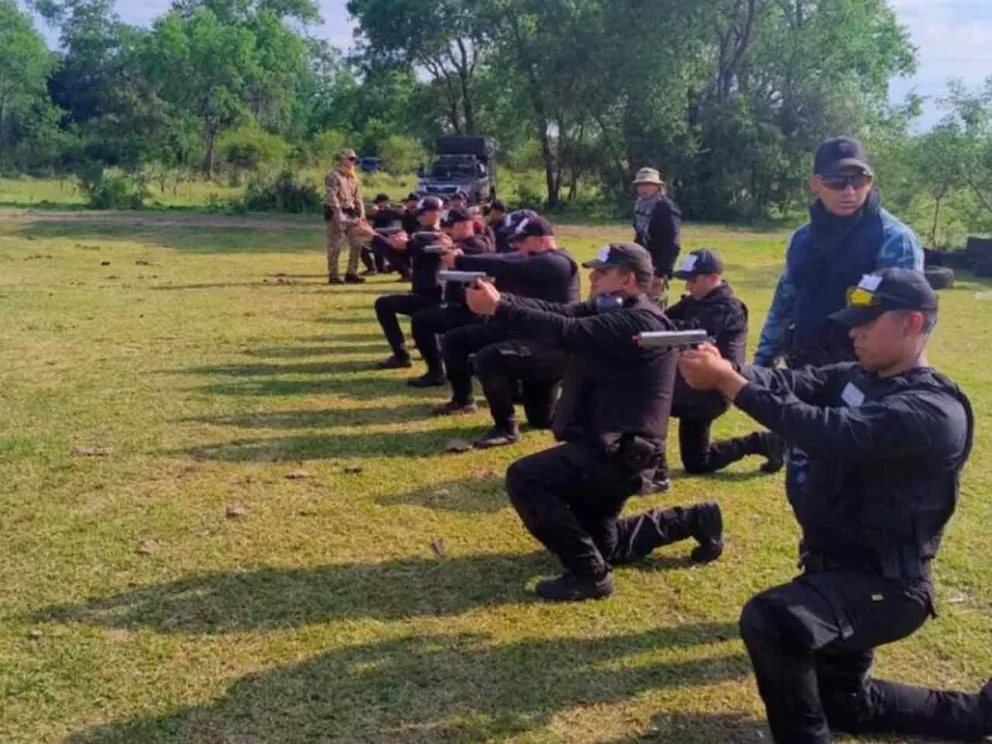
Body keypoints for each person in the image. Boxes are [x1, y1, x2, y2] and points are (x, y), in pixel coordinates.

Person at [679, 268, 988, 743]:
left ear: (912, 323)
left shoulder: (932, 411)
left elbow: (827, 432)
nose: (853, 332)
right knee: (847, 706)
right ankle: (980, 716)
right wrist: (729, 368)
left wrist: (731, 385)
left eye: (868, 321)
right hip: (834, 573)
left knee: (773, 620)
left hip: (887, 587)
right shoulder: (859, 376)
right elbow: (793, 382)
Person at [465, 243, 723, 601]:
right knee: (608, 545)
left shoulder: (638, 321)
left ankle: (590, 576)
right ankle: (697, 519)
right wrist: (502, 298)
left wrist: (499, 308)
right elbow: (559, 312)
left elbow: (565, 330)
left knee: (525, 477)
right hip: (608, 447)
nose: (593, 277)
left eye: (602, 272)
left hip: (619, 454)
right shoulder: (613, 309)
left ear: (627, 279)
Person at [720, 136, 925, 481]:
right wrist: (762, 362)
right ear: (815, 183)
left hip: (862, 376)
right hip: (807, 369)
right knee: (803, 468)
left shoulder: (893, 238)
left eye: (858, 180)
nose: (849, 191)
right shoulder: (803, 238)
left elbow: (904, 322)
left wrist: (886, 383)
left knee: (848, 475)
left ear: (871, 182)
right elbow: (785, 299)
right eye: (837, 181)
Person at [432, 215, 579, 432]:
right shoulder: (532, 257)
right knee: (456, 340)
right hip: (520, 329)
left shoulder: (558, 263)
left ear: (542, 240)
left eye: (522, 241)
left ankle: (508, 425)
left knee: (541, 419)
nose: (517, 247)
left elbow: (508, 264)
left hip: (547, 342)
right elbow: (504, 259)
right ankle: (464, 401)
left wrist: (461, 261)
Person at [665, 249, 782, 475]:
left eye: (693, 280)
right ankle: (762, 443)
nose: (688, 286)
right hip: (693, 385)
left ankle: (650, 465)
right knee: (697, 463)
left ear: (712, 278)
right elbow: (663, 319)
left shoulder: (727, 307)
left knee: (652, 398)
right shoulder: (697, 300)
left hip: (712, 391)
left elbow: (689, 331)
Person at [406, 207, 494, 387]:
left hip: (473, 310)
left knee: (422, 322)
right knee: (424, 321)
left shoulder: (477, 243)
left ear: (463, 225)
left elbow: (468, 253)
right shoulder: (466, 242)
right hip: (462, 306)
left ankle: (437, 373)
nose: (446, 231)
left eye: (449, 227)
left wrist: (451, 247)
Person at [369, 197, 446, 369]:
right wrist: (376, 239)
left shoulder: (438, 235)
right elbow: (403, 257)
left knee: (384, 304)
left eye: (423, 213)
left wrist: (376, 238)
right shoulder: (423, 233)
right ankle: (402, 355)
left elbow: (411, 250)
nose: (419, 217)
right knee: (384, 304)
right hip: (424, 293)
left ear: (435, 213)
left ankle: (404, 357)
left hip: (434, 296)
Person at [632, 167, 682, 305]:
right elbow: (640, 235)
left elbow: (673, 244)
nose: (644, 188)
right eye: (640, 184)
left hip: (658, 266)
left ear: (657, 186)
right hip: (643, 262)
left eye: (648, 184)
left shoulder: (666, 207)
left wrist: (660, 273)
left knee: (653, 304)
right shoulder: (640, 205)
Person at [324, 148, 366, 285]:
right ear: (342, 160)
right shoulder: (333, 176)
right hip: (336, 213)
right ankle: (334, 275)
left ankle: (351, 273)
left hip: (351, 212)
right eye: (351, 159)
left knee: (357, 243)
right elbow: (331, 196)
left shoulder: (353, 177)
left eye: (355, 159)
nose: (353, 162)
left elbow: (358, 198)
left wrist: (362, 215)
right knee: (335, 245)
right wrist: (338, 214)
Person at [360, 193, 395, 276]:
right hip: (380, 237)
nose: (376, 204)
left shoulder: (386, 212)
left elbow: (373, 215)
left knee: (363, 250)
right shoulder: (384, 211)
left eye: (378, 202)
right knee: (376, 252)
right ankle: (379, 268)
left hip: (384, 238)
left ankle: (372, 269)